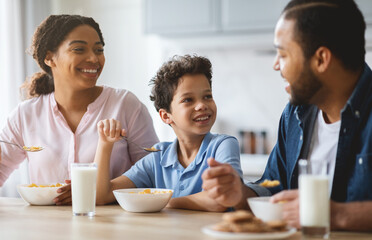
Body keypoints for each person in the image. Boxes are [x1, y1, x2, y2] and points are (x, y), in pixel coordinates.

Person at [202, 0, 372, 231]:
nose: (275, 65)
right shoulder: (295, 113)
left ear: (321, 59)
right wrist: (240, 194)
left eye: (282, 54)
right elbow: (275, 187)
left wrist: (335, 214)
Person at [0, 14, 158, 204]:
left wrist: (96, 190)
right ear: (49, 57)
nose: (94, 58)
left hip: (111, 228)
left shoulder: (125, 105)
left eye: (98, 50)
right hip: (46, 229)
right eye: (79, 49)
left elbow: (153, 172)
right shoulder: (25, 115)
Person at [93, 55, 243, 211]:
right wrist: (105, 144)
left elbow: (223, 198)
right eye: (188, 100)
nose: (202, 105)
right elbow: (100, 196)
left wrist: (162, 201)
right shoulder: (157, 156)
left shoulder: (223, 145)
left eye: (207, 96)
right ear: (166, 116)